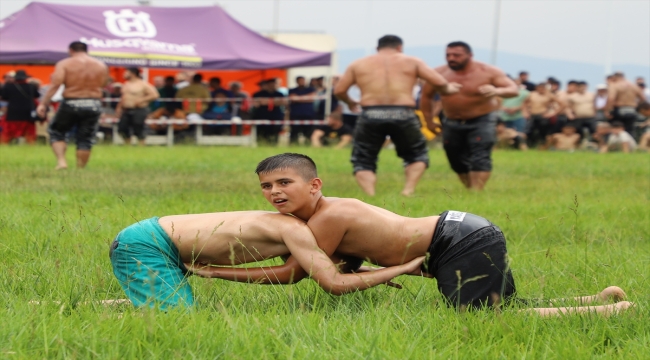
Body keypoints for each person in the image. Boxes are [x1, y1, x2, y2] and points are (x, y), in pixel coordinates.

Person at [195, 153, 633, 316]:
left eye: (283, 183)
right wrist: (373, 270)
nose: (273, 193)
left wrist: (212, 271)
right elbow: (342, 264)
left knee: (484, 320)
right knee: (505, 306)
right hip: (463, 230)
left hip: (456, 237)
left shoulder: (328, 216)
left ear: (314, 185)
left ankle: (614, 312)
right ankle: (597, 298)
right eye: (266, 187)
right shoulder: (321, 220)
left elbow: (296, 273)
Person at [109, 210, 423, 309]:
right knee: (175, 319)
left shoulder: (300, 228)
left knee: (173, 305)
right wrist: (403, 267)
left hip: (155, 241)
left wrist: (370, 270)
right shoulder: (295, 229)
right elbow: (328, 279)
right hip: (147, 244)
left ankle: (98, 307)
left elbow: (312, 265)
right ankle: (97, 314)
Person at [335, 35, 460, 196]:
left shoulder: (358, 64)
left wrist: (351, 102)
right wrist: (449, 89)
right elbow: (439, 82)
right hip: (403, 112)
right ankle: (408, 190)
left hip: (371, 112)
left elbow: (339, 90)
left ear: (377, 48)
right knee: (416, 154)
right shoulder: (412, 61)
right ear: (400, 48)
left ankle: (370, 194)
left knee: (363, 158)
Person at [420, 41, 518, 191]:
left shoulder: (488, 71)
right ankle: (469, 188)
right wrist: (429, 122)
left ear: (469, 55)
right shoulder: (439, 73)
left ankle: (476, 191)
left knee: (480, 154)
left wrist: (497, 91)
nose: (451, 58)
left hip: (482, 119)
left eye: (456, 55)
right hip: (451, 120)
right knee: (455, 157)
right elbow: (426, 97)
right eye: (448, 55)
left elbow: (513, 89)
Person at [37, 41, 108, 170]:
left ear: (71, 50)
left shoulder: (65, 64)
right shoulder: (100, 65)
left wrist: (43, 103)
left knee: (57, 132)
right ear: (86, 50)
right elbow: (102, 84)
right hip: (93, 102)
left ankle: (62, 162)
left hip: (71, 101)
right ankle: (80, 168)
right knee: (85, 137)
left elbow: (56, 84)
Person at [115, 67, 159, 146]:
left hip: (139, 109)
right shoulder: (126, 84)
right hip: (126, 109)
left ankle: (141, 145)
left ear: (132, 73)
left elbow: (155, 95)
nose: (124, 74)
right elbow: (123, 97)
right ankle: (127, 144)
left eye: (126, 72)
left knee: (138, 127)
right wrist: (119, 107)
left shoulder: (143, 84)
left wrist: (142, 100)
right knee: (122, 128)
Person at [0, 70, 41, 144]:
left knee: (8, 132)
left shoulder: (9, 86)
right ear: (25, 78)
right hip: (27, 113)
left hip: (12, 112)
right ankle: (31, 144)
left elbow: (4, 97)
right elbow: (37, 95)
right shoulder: (31, 86)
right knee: (29, 132)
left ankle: (5, 144)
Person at [525, 82, 565, 148]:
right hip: (532, 115)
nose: (541, 90)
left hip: (543, 115)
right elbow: (524, 103)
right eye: (540, 88)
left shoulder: (549, 95)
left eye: (543, 88)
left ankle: (544, 146)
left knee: (543, 132)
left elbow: (562, 104)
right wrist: (525, 112)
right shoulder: (532, 94)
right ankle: (530, 145)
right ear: (537, 88)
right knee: (529, 131)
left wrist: (552, 113)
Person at [288, 76, 317, 143]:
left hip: (308, 114)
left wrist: (298, 98)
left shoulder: (311, 89)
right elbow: (292, 98)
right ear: (297, 81)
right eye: (300, 80)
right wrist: (306, 98)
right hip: (295, 114)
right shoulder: (292, 90)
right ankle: (293, 145)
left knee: (308, 132)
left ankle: (307, 144)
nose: (302, 82)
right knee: (294, 131)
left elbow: (312, 98)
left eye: (303, 80)